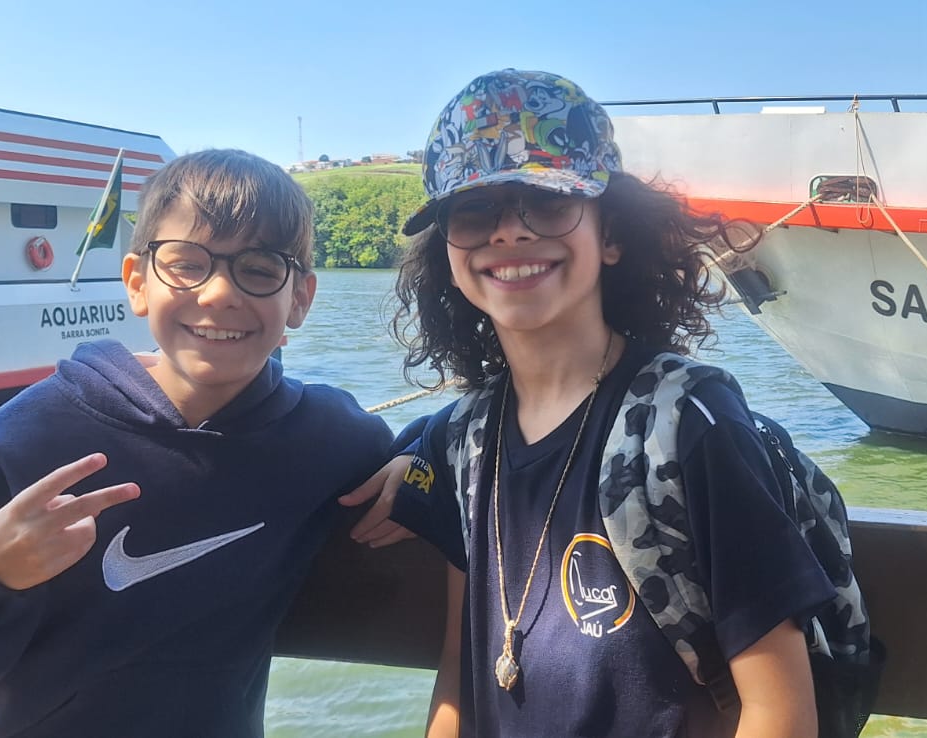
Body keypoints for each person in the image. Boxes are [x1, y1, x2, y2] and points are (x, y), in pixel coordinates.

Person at [342, 69, 835, 737]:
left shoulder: (689, 424)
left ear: (611, 235)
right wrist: (413, 458)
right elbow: (460, 673)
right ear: (448, 254)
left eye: (548, 203)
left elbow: (782, 713)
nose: (509, 234)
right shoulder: (464, 440)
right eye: (475, 211)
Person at [0, 149, 392, 737]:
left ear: (300, 298)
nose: (218, 293)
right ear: (137, 282)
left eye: (259, 269)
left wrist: (417, 464)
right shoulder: (24, 437)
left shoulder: (327, 436)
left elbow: (428, 452)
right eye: (186, 264)